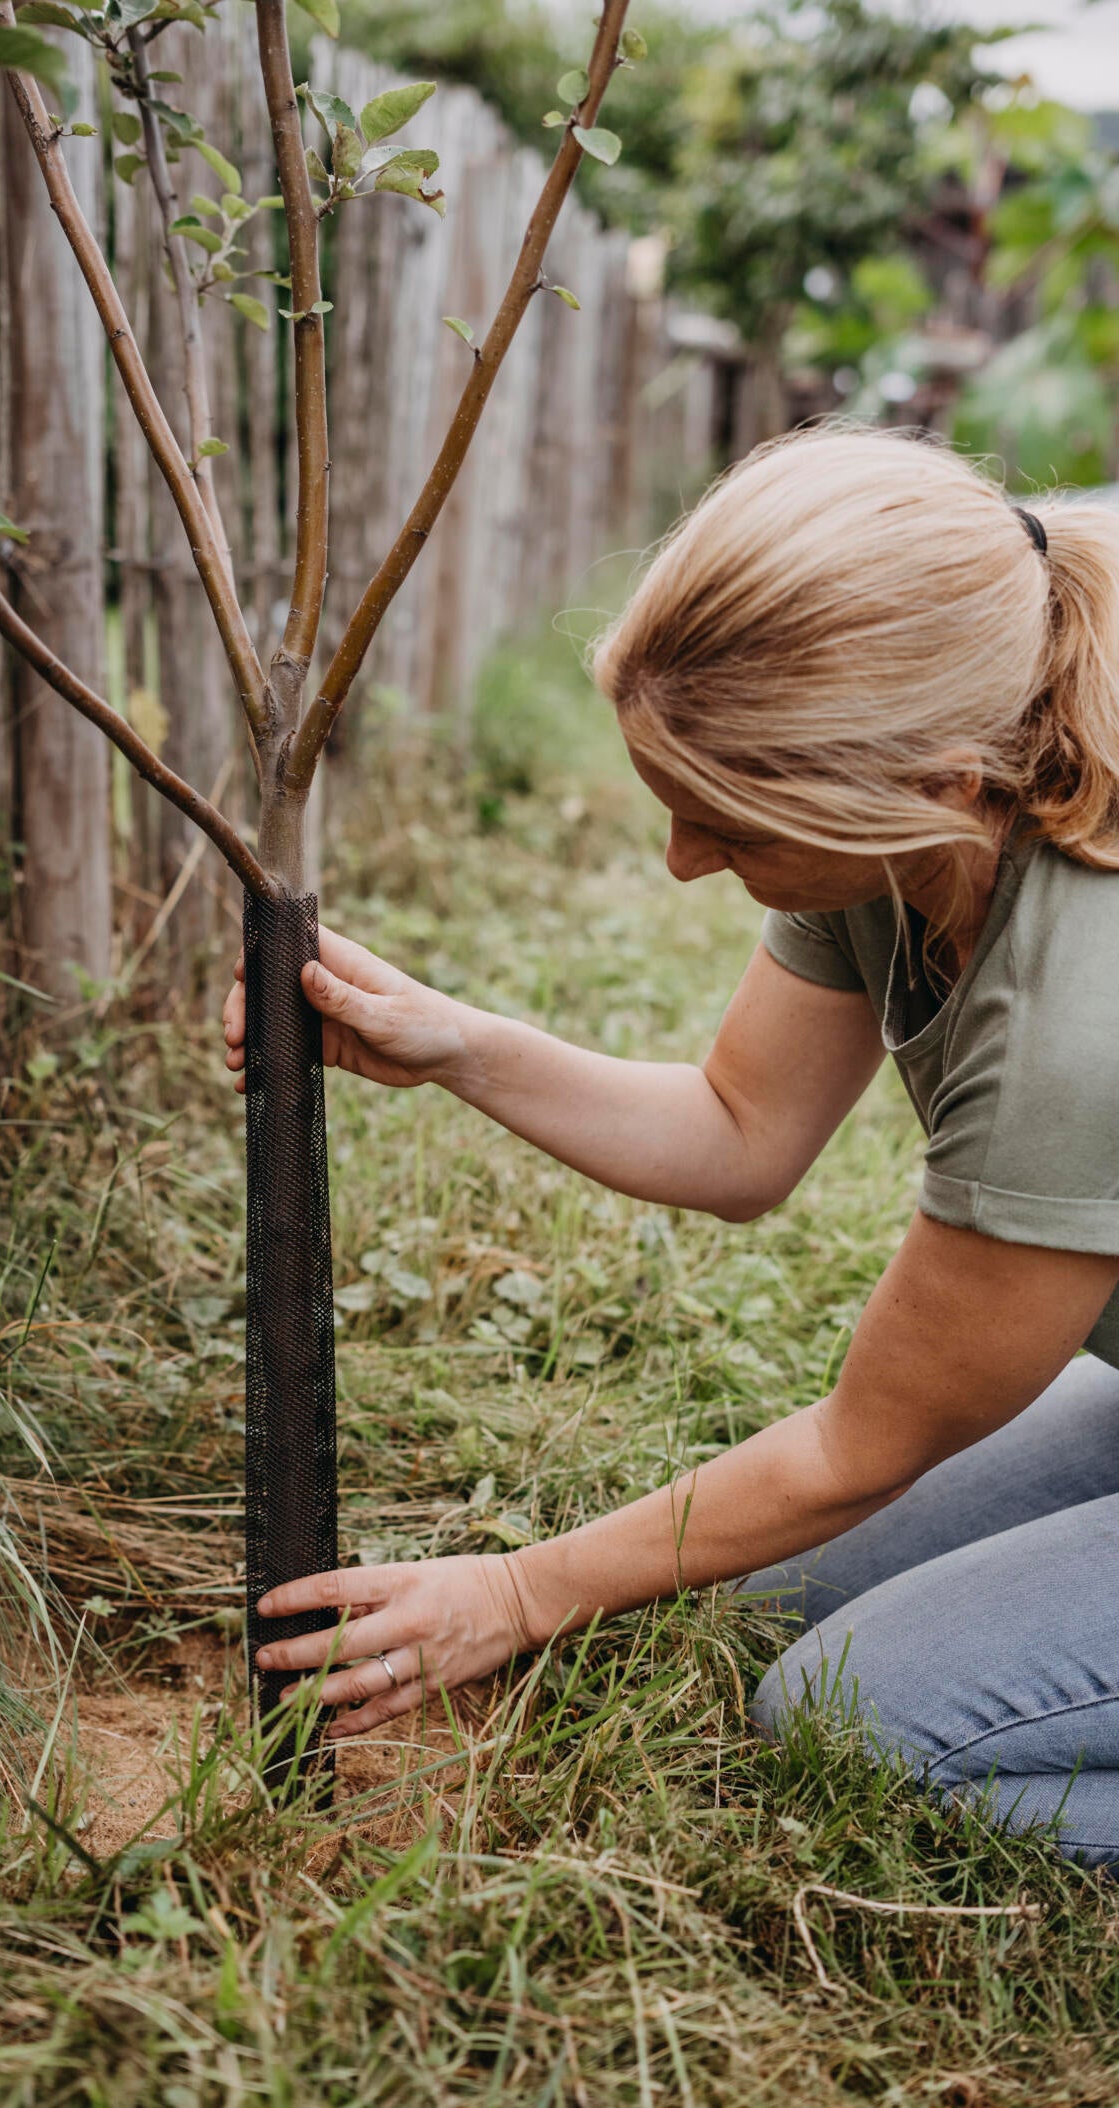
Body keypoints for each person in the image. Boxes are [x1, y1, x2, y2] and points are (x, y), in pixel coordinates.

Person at [222, 427, 1119, 1865]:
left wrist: (519, 1591)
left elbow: (865, 1445)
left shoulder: (1083, 1013)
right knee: (770, 1597)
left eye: (725, 825)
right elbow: (740, 1132)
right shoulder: (912, 795)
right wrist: (457, 1045)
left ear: (940, 786)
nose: (683, 861)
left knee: (862, 1722)